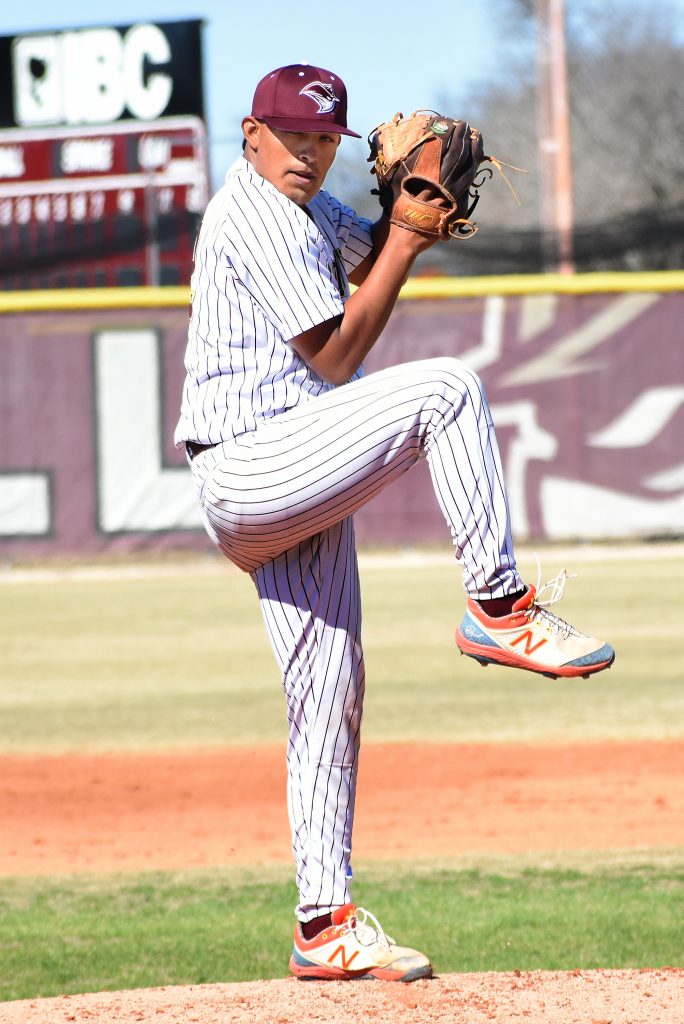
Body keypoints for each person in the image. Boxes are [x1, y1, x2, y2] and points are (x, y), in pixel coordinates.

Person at [174, 63, 615, 983]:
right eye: (292, 134)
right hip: (251, 464)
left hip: (293, 471)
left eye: (325, 139)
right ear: (250, 133)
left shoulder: (308, 213)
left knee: (329, 695)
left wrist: (404, 213)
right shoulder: (252, 213)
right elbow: (336, 357)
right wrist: (409, 238)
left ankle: (321, 923)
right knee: (447, 388)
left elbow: (369, 253)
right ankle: (498, 605)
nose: (309, 152)